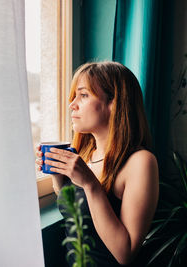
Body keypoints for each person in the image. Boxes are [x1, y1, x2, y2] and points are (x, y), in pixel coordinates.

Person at [36, 61, 159, 266]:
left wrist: (90, 184)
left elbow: (125, 253)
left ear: (114, 103)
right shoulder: (85, 154)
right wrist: (58, 175)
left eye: (83, 95)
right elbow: (78, 210)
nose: (72, 104)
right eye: (74, 96)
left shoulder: (141, 162)